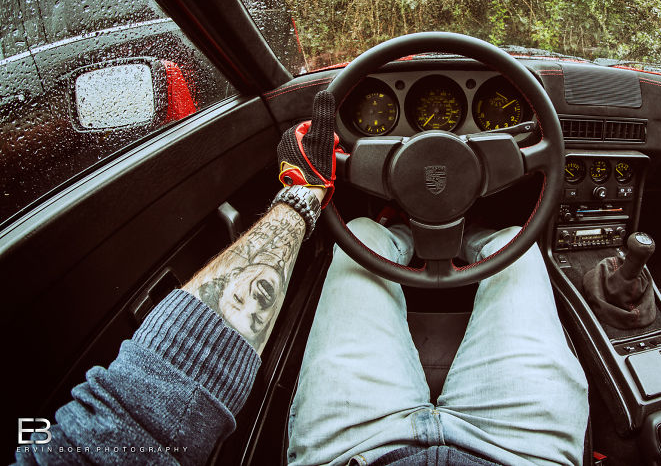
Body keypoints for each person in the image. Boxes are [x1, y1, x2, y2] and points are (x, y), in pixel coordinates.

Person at [14, 91, 589, 465]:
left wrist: (304, 195)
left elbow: (142, 417)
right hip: (521, 456)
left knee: (360, 231)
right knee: (518, 249)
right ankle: (481, 239)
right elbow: (137, 415)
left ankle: (395, 232)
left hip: (354, 454)